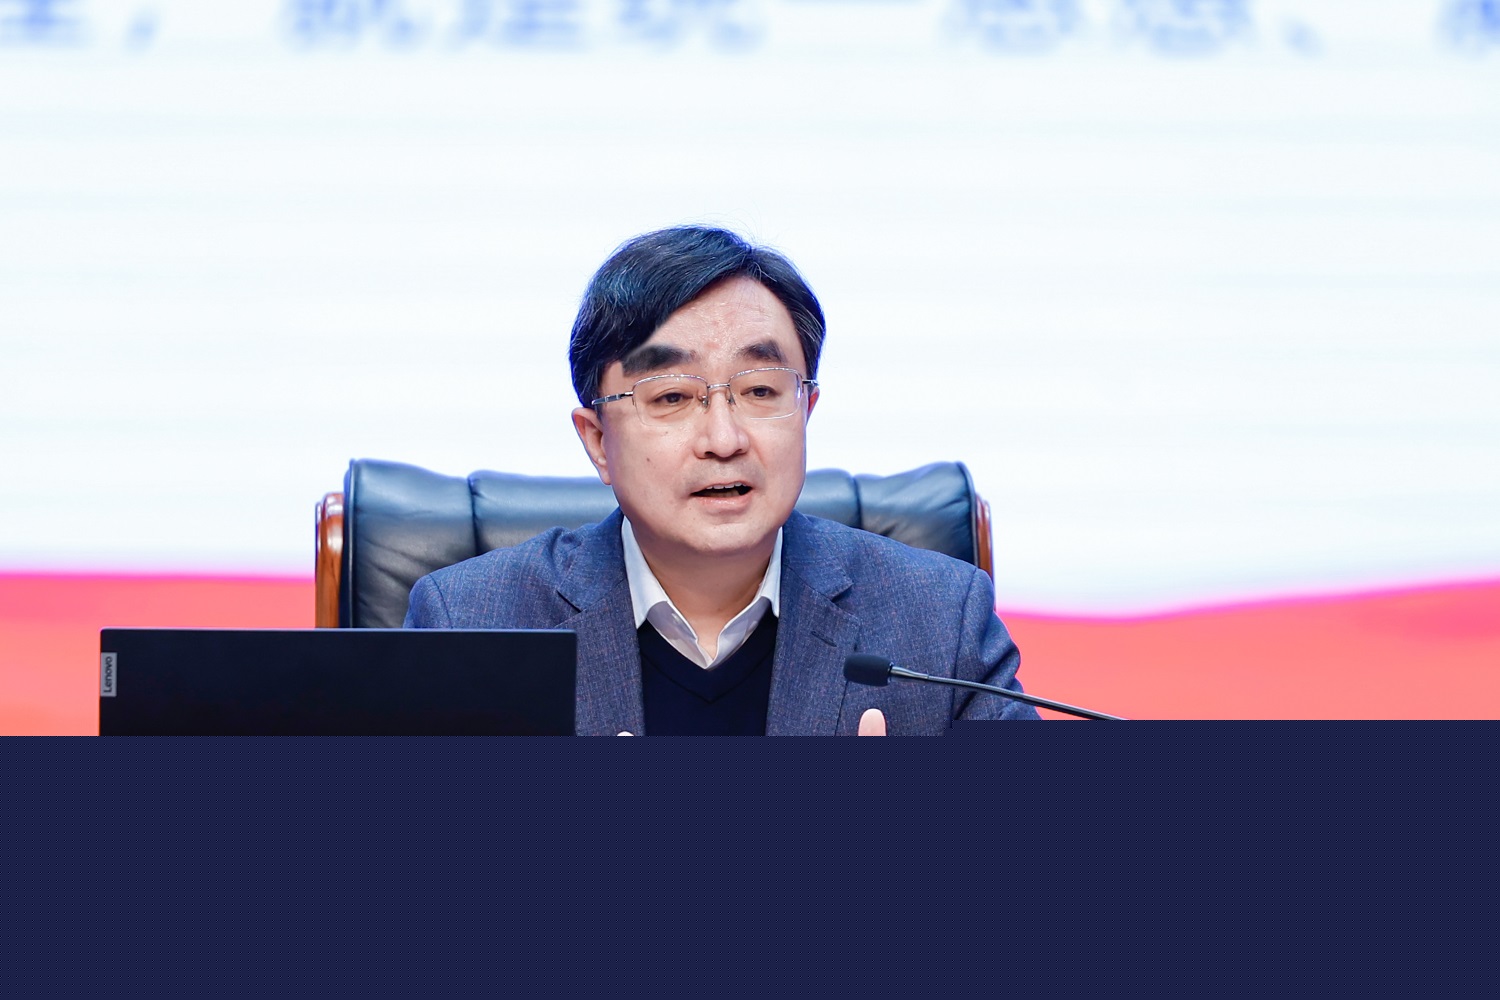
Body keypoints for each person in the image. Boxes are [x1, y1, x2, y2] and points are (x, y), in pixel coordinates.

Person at [404, 225, 1038, 733]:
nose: (724, 439)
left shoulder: (939, 622)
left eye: (760, 391)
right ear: (597, 441)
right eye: (672, 397)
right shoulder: (470, 625)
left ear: (806, 410)